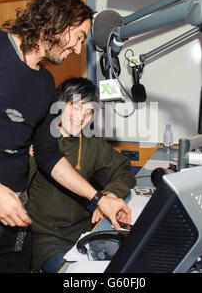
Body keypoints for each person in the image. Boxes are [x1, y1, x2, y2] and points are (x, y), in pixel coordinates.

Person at [0, 0, 130, 273]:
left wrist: (98, 198)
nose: (78, 50)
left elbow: (47, 154)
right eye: (80, 37)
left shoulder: (45, 83)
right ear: (58, 19)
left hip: (16, 223)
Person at [28, 77, 136, 273]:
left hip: (86, 231)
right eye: (76, 107)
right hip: (46, 240)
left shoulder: (91, 143)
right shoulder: (39, 141)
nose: (81, 117)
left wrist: (110, 194)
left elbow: (123, 170)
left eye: (89, 112)